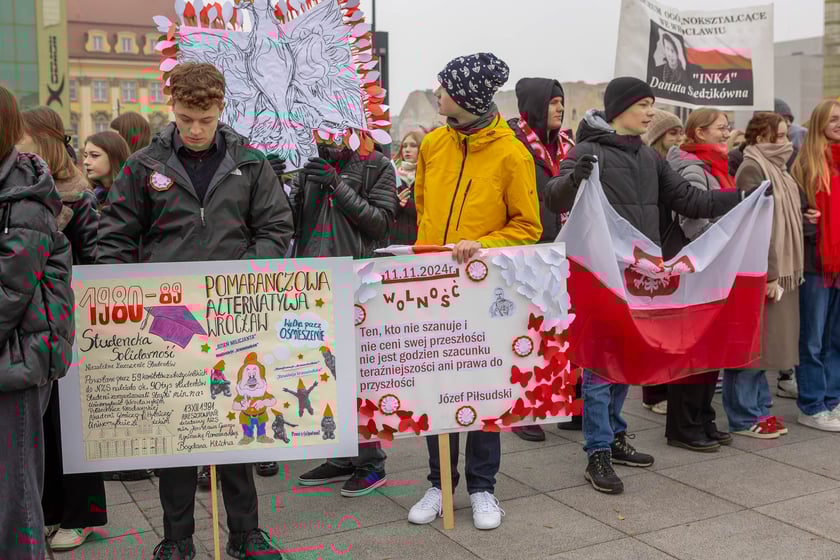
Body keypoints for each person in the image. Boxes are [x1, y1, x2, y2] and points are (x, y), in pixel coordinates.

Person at [97, 62, 293, 559]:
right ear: (173, 109)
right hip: (170, 319)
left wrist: (246, 274)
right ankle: (176, 538)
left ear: (220, 107)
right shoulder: (145, 165)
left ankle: (246, 533)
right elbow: (115, 236)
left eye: (204, 118)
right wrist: (133, 294)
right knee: (177, 431)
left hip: (235, 313)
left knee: (237, 423)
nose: (196, 129)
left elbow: (275, 227)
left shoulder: (250, 162)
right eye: (186, 118)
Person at [545, 77, 745, 494]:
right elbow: (555, 198)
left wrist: (743, 197)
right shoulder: (587, 151)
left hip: (641, 275)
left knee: (627, 359)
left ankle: (615, 435)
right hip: (600, 274)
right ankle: (597, 451)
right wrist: (572, 179)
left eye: (652, 105)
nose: (651, 112)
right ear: (620, 108)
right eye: (644, 105)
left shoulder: (650, 159)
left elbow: (690, 201)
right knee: (601, 366)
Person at [407, 52, 541, 531]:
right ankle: (438, 482)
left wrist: (483, 245)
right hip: (430, 290)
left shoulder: (512, 153)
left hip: (486, 293)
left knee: (483, 389)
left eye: (444, 87)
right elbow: (423, 208)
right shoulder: (432, 146)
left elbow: (528, 227)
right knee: (435, 386)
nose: (437, 93)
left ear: (464, 98)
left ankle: (483, 488)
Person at [17, 107, 104, 550]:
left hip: (73, 320)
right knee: (46, 424)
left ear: (43, 141)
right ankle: (52, 511)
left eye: (23, 137)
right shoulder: (25, 187)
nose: (16, 145)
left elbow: (95, 260)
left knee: (74, 421)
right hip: (36, 324)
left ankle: (83, 513)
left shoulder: (78, 196)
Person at [293, 139, 398, 497]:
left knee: (356, 375)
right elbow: (292, 225)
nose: (330, 136)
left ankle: (371, 460)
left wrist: (337, 186)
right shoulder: (309, 163)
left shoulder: (377, 165)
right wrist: (283, 187)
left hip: (356, 282)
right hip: (310, 280)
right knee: (325, 372)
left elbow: (381, 225)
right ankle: (341, 455)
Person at [0, 85, 74, 560]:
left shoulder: (22, 194)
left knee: (17, 494)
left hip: (20, 358)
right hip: (16, 351)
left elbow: (10, 289)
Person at [723, 112, 803, 440]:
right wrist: (770, 273)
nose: (785, 143)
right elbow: (757, 226)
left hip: (782, 271)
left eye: (786, 136)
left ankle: (759, 408)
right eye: (778, 137)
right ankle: (743, 416)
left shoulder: (780, 168)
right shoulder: (753, 167)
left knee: (767, 347)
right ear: (760, 139)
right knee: (751, 347)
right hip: (765, 272)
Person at [507, 77, 575, 441]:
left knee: (561, 328)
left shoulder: (568, 146)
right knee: (527, 331)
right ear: (534, 105)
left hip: (563, 247)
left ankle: (565, 400)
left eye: (562, 102)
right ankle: (525, 409)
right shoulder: (513, 145)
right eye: (552, 103)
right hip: (527, 249)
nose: (560, 109)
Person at [663, 108, 735, 452]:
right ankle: (684, 425)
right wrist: (718, 248)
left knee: (710, 347)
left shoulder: (715, 165)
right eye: (721, 127)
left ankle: (702, 416)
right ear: (700, 132)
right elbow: (690, 218)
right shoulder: (693, 168)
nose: (727, 132)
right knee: (693, 349)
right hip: (699, 268)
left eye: (728, 127)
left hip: (713, 268)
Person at [790, 99, 840, 431]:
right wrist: (811, 225)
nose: (839, 123)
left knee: (836, 337)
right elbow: (792, 214)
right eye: (835, 119)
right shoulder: (804, 163)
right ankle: (811, 404)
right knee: (812, 338)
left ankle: (833, 400)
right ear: (820, 121)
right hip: (815, 262)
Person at [639, 108, 685, 417]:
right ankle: (653, 391)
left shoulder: (672, 167)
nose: (679, 139)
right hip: (653, 253)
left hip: (669, 253)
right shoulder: (650, 168)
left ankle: (663, 385)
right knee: (654, 326)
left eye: (681, 132)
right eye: (672, 133)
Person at [391, 130, 425, 246]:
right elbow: (385, 211)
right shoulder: (392, 173)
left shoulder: (428, 175)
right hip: (396, 242)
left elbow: (431, 211)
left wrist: (407, 203)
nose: (407, 149)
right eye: (404, 146)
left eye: (413, 145)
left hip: (421, 241)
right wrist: (396, 203)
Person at [82, 130, 130, 207]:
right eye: (85, 156)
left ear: (114, 157)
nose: (86, 162)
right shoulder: (87, 196)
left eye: (94, 155)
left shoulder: (131, 196)